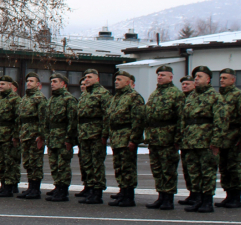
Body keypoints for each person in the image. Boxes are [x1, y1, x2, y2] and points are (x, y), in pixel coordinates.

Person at [178, 66, 228, 213]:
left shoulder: (215, 97)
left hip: (206, 142)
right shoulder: (191, 96)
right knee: (194, 172)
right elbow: (184, 119)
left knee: (207, 172)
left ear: (208, 79)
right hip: (190, 141)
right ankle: (197, 199)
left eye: (200, 76)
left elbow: (221, 121)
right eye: (195, 77)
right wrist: (182, 137)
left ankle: (207, 201)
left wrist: (216, 142)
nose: (196, 79)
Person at [143, 65, 184, 210]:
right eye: (159, 75)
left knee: (168, 169)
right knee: (157, 169)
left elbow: (181, 118)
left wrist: (178, 138)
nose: (160, 77)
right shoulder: (155, 94)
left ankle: (168, 198)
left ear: (171, 77)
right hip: (154, 138)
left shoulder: (176, 94)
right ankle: (161, 196)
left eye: (163, 75)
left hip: (168, 138)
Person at [106, 71, 145, 207]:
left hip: (126, 136)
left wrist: (134, 139)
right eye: (115, 79)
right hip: (117, 137)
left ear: (128, 82)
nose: (116, 81)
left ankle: (129, 196)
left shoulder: (134, 97)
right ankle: (122, 192)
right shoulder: (116, 97)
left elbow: (138, 120)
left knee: (128, 167)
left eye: (119, 79)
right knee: (119, 167)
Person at [75, 69, 110, 204]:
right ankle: (89, 188)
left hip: (96, 134)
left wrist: (104, 134)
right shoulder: (84, 95)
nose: (86, 79)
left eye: (89, 77)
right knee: (86, 163)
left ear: (97, 79)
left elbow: (107, 116)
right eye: (85, 77)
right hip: (84, 134)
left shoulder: (103, 94)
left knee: (96, 164)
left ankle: (97, 192)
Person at [44, 73, 78, 203]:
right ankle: (57, 186)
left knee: (63, 165)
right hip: (53, 137)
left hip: (63, 137)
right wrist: (47, 135)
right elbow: (47, 120)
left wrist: (69, 139)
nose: (52, 83)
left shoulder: (68, 99)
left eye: (55, 81)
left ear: (63, 84)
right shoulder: (52, 99)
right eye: (51, 81)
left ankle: (63, 190)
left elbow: (72, 121)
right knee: (54, 164)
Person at [17, 73, 47, 199]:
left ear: (38, 84)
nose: (28, 83)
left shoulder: (39, 98)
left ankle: (36, 189)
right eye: (27, 81)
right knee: (28, 162)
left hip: (34, 135)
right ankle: (30, 187)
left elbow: (43, 119)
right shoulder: (25, 98)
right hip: (25, 134)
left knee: (36, 163)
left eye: (32, 81)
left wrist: (41, 136)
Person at [0, 76, 20, 197]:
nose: (1, 86)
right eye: (0, 84)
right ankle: (3, 185)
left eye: (3, 84)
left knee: (10, 162)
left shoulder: (15, 99)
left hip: (9, 135)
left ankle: (10, 186)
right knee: (1, 162)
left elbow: (18, 119)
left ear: (10, 85)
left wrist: (15, 136)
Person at [215, 68, 241, 208]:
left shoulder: (237, 95)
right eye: (221, 78)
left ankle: (236, 196)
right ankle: (228, 194)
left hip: (234, 137)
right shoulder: (219, 96)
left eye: (225, 78)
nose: (221, 80)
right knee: (224, 167)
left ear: (233, 80)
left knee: (234, 167)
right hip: (222, 138)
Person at [177, 75, 197, 205]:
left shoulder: (196, 98)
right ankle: (192, 193)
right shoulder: (181, 99)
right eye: (183, 84)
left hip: (195, 139)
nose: (184, 86)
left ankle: (197, 194)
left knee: (195, 169)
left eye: (187, 84)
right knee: (187, 168)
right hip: (184, 138)